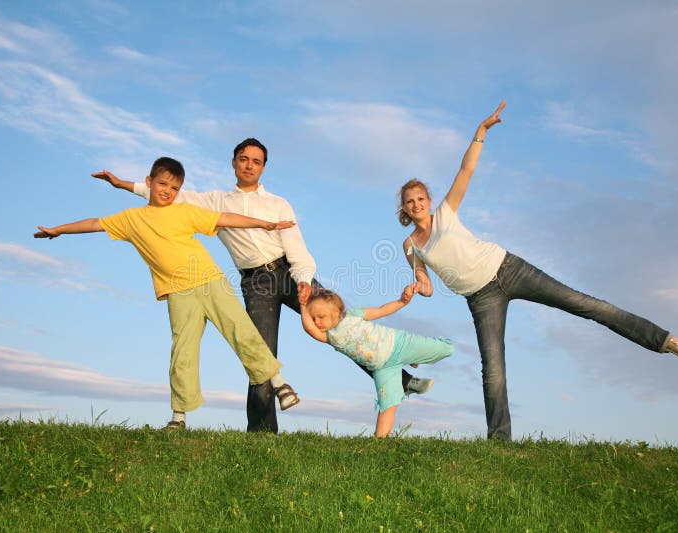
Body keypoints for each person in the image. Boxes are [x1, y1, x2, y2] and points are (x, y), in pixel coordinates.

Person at [398, 101, 678, 441]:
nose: (417, 204)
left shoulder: (446, 212)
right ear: (405, 209)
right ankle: (500, 445)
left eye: (421, 197)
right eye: (410, 201)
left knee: (587, 305)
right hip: (480, 299)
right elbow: (425, 282)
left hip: (508, 269)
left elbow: (465, 171)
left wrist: (480, 133)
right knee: (493, 370)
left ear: (428, 199)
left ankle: (664, 340)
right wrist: (418, 289)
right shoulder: (411, 246)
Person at [93, 138, 432, 434]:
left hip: (289, 272)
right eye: (244, 159)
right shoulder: (214, 200)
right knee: (258, 350)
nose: (249, 165)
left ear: (263, 167)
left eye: (256, 161)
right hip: (256, 282)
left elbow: (297, 246)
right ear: (234, 163)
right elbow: (168, 196)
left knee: (343, 329)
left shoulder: (278, 204)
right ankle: (262, 432)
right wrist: (123, 184)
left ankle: (400, 378)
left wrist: (303, 282)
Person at [34, 156, 301, 430]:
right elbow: (94, 223)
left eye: (174, 188)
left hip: (211, 282)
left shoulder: (184, 211)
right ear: (149, 182)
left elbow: (224, 217)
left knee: (241, 332)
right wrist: (60, 230)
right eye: (162, 184)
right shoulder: (131, 219)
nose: (167, 191)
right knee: (182, 351)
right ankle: (178, 417)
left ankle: (280, 385)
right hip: (178, 292)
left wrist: (263, 224)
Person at [300, 286, 454, 437]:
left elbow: (381, 310)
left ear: (335, 312)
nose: (316, 322)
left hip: (397, 344)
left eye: (320, 317)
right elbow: (310, 329)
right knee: (387, 405)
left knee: (446, 349)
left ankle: (413, 359)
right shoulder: (331, 338)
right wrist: (303, 305)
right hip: (382, 369)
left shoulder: (353, 315)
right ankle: (380, 442)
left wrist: (402, 301)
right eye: (313, 318)